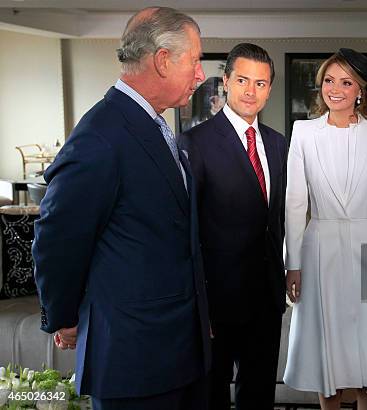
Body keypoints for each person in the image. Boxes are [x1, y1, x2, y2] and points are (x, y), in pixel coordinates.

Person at [33, 7, 210, 410]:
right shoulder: (102, 135)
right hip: (135, 361)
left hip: (177, 351)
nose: (200, 75)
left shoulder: (149, 122)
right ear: (163, 61)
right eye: (195, 61)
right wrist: (63, 315)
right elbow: (56, 237)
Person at [284, 48, 367, 410]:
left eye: (346, 82)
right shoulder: (304, 132)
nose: (335, 88)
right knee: (328, 341)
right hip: (321, 247)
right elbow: (295, 203)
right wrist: (291, 263)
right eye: (329, 80)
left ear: (361, 89)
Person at [178, 43, 287, 410]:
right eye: (242, 80)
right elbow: (188, 230)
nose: (250, 91)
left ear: (269, 88)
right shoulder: (196, 143)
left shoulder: (277, 144)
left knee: (259, 396)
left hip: (266, 298)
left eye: (260, 83)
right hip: (218, 302)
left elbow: (277, 221)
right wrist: (200, 305)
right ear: (225, 81)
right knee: (212, 397)